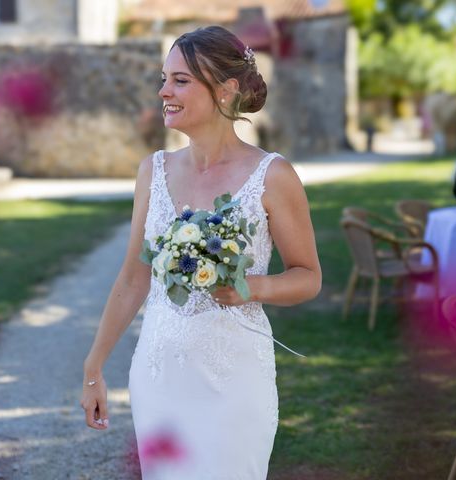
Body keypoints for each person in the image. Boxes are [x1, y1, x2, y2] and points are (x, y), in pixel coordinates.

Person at [80, 25, 322, 479]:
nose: (163, 91)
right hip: (158, 375)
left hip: (235, 380)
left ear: (226, 91)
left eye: (181, 80)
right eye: (164, 78)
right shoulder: (153, 171)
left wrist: (253, 286)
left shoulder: (272, 176)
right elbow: (134, 278)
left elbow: (308, 275)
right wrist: (94, 365)